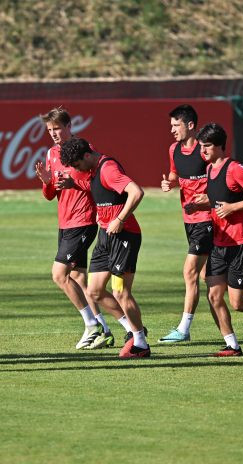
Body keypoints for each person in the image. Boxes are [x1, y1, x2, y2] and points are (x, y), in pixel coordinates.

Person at [33, 107, 117, 350]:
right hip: (65, 222)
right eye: (50, 130)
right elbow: (50, 195)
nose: (54, 133)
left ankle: (92, 325)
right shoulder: (51, 154)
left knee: (59, 275)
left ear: (69, 127)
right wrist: (47, 182)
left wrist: (74, 182)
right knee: (79, 278)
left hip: (83, 221)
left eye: (57, 128)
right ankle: (104, 330)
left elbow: (97, 183)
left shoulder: (83, 149)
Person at [59, 137, 150, 359]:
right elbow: (100, 190)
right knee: (94, 291)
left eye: (79, 165)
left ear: (87, 156)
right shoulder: (93, 171)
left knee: (121, 292)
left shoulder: (108, 168)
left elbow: (136, 192)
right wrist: (75, 184)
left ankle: (141, 343)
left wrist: (119, 219)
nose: (79, 170)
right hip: (106, 236)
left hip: (124, 235)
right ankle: (132, 329)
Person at [186, 123, 243, 357]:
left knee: (239, 303)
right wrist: (202, 203)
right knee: (214, 296)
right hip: (219, 243)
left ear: (219, 146)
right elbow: (218, 199)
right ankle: (232, 345)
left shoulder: (235, 168)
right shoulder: (209, 170)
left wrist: (233, 208)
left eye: (207, 146)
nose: (203, 151)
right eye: (201, 146)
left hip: (241, 244)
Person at [159, 104, 214, 343]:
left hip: (207, 219)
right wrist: (170, 183)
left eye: (176, 125)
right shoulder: (174, 149)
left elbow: (220, 178)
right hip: (189, 219)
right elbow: (174, 174)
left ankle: (184, 328)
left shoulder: (205, 151)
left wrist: (208, 199)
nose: (172, 130)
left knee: (189, 271)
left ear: (190, 125)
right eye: (171, 125)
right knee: (208, 277)